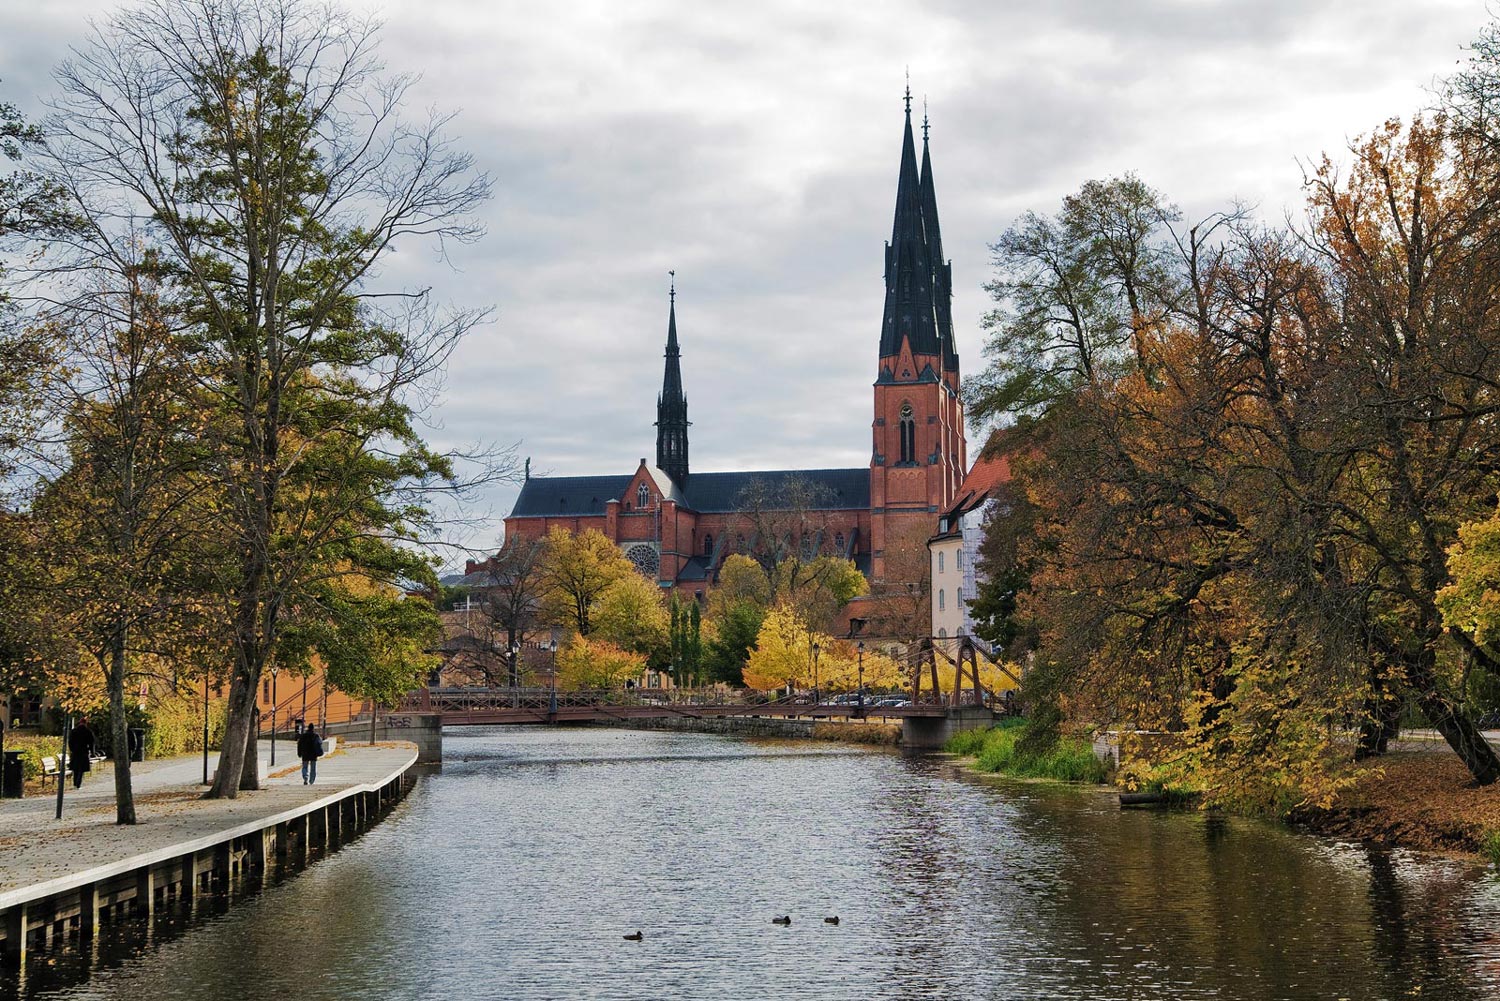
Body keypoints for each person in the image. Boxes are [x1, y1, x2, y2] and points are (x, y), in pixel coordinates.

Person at [68, 718, 96, 789]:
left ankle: (75, 783)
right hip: (83, 752)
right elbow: (91, 743)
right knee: (81, 769)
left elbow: (70, 742)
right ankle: (78, 784)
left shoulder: (74, 731)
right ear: (85, 723)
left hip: (75, 752)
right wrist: (92, 752)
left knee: (75, 768)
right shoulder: (88, 731)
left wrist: (72, 750)